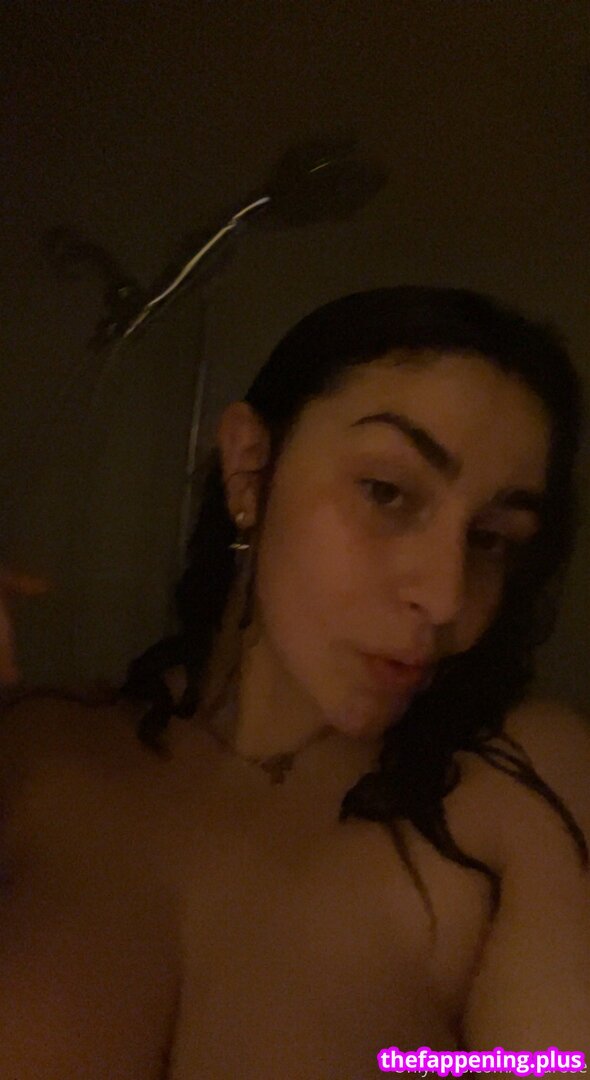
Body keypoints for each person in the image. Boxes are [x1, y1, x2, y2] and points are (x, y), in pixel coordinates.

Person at [0, 285, 589, 1079]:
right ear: (250, 468)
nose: (446, 596)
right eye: (387, 492)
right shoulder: (31, 753)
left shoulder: (517, 795)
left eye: (491, 538)